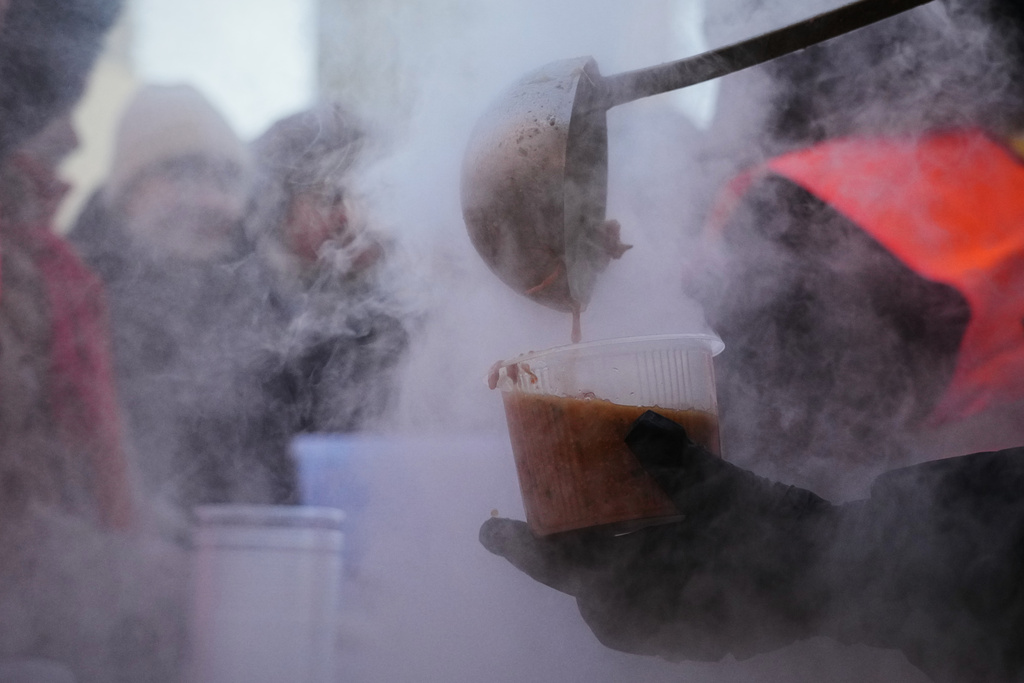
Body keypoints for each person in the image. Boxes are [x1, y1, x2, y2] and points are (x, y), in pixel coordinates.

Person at [480, 2, 1024, 682]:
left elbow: (768, 429)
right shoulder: (996, 172)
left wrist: (788, 559)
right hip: (950, 596)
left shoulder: (803, 201)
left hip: (887, 627)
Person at [68, 84, 300, 511]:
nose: (209, 200)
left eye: (226, 178)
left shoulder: (271, 308)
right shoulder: (69, 300)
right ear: (127, 191)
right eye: (183, 173)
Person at [245, 102, 412, 438]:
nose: (351, 217)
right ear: (280, 214)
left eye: (371, 193)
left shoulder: (415, 312)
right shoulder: (253, 323)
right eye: (330, 196)